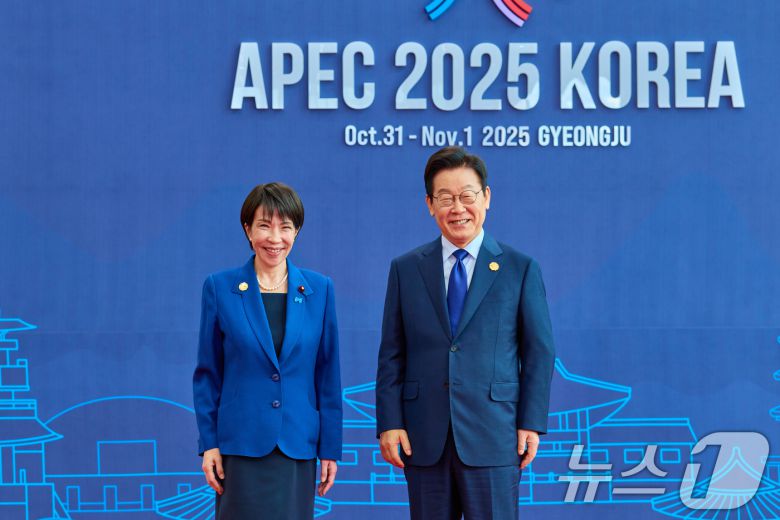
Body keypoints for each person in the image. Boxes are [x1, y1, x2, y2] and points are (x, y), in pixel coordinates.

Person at [376, 146, 555, 519]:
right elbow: (392, 353)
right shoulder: (406, 269)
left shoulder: (519, 269)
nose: (457, 208)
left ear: (486, 197)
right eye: (445, 198)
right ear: (430, 204)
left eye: (467, 196)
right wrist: (390, 423)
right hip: (424, 438)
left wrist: (531, 422)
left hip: (495, 435)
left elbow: (539, 351)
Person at [193, 182, 342, 519]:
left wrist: (330, 448)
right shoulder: (220, 288)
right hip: (240, 446)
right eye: (264, 225)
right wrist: (209, 444)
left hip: (296, 445)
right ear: (248, 229)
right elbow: (207, 375)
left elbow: (328, 376)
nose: (275, 238)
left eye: (285, 227)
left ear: (296, 231)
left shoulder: (319, 290)